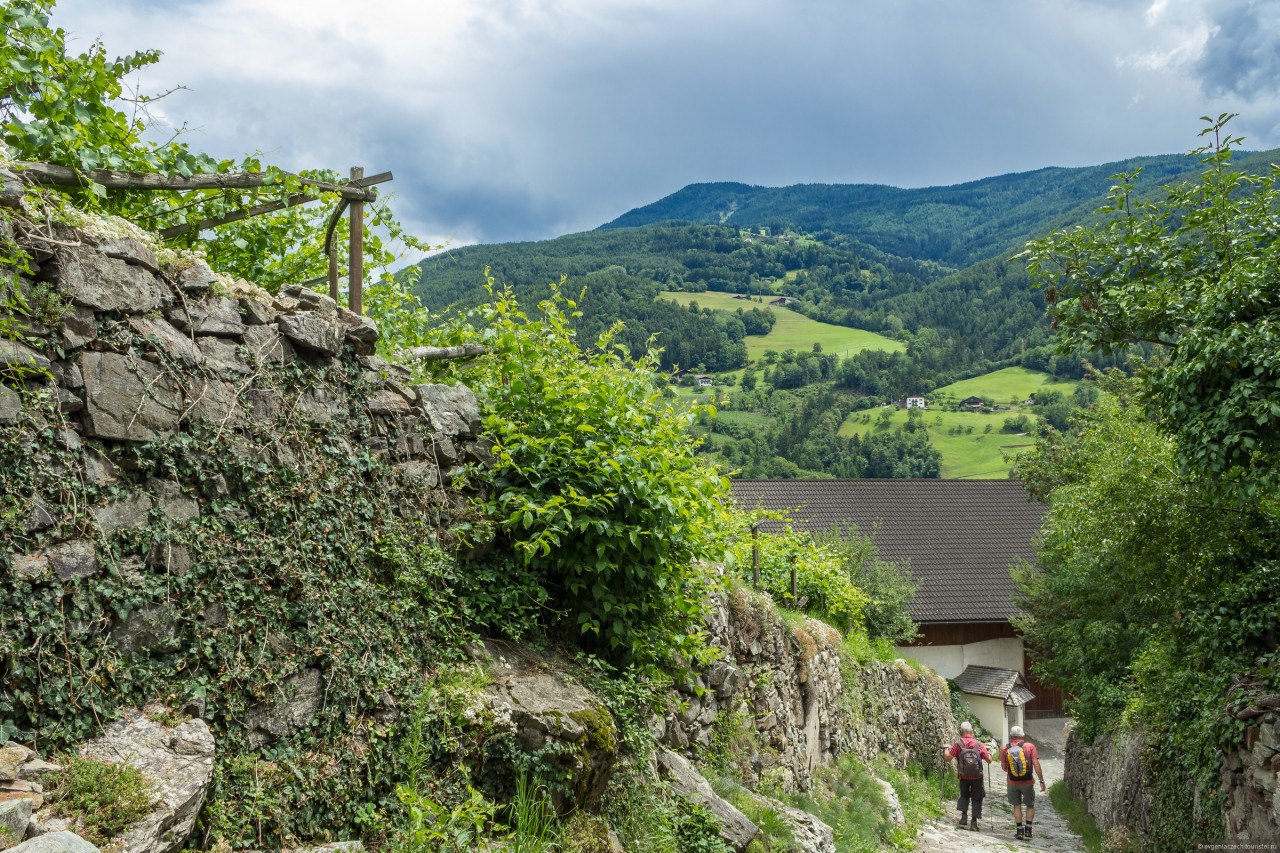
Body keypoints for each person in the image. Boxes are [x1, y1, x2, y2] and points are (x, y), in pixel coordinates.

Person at [1000, 724, 1046, 840]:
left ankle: (1019, 831)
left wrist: (1013, 771)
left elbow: (1004, 767)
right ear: (1023, 735)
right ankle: (1029, 831)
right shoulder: (1030, 746)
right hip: (1028, 782)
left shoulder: (1005, 748)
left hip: (1012, 782)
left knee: (1017, 805)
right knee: (1030, 805)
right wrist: (1041, 781)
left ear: (1010, 736)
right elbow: (1036, 764)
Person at [943, 721, 992, 831]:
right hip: (977, 777)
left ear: (961, 731)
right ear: (971, 731)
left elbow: (948, 758)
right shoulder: (979, 744)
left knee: (964, 795)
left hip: (963, 776)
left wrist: (945, 749)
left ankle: (964, 817)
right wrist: (989, 754)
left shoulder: (958, 744)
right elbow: (989, 760)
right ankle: (974, 823)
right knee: (977, 798)